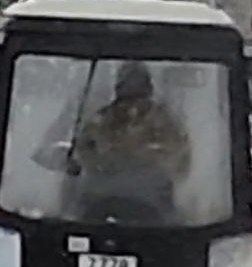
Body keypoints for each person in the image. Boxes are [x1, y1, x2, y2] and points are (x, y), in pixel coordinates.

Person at [71, 61, 191, 217]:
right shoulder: (101, 121)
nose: (132, 112)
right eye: (126, 99)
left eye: (139, 99)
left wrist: (150, 155)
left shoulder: (165, 122)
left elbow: (180, 162)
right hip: (102, 200)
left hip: (154, 204)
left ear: (149, 91)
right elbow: (81, 153)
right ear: (118, 92)